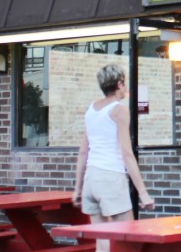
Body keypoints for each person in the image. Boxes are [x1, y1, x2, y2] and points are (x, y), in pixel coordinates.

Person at [73, 64, 154, 252]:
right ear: (119, 84)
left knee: (102, 241)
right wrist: (143, 192)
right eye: (124, 83)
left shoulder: (91, 109)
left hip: (91, 180)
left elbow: (83, 151)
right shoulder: (119, 110)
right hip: (110, 178)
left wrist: (77, 188)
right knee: (128, 240)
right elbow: (126, 153)